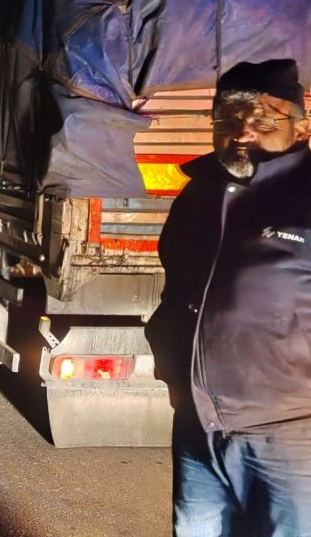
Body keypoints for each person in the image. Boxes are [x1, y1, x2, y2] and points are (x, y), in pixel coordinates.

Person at [145, 58, 311, 536]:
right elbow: (176, 286)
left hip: (290, 437)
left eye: (262, 119)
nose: (241, 132)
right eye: (228, 119)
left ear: (299, 129)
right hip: (199, 425)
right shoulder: (198, 195)